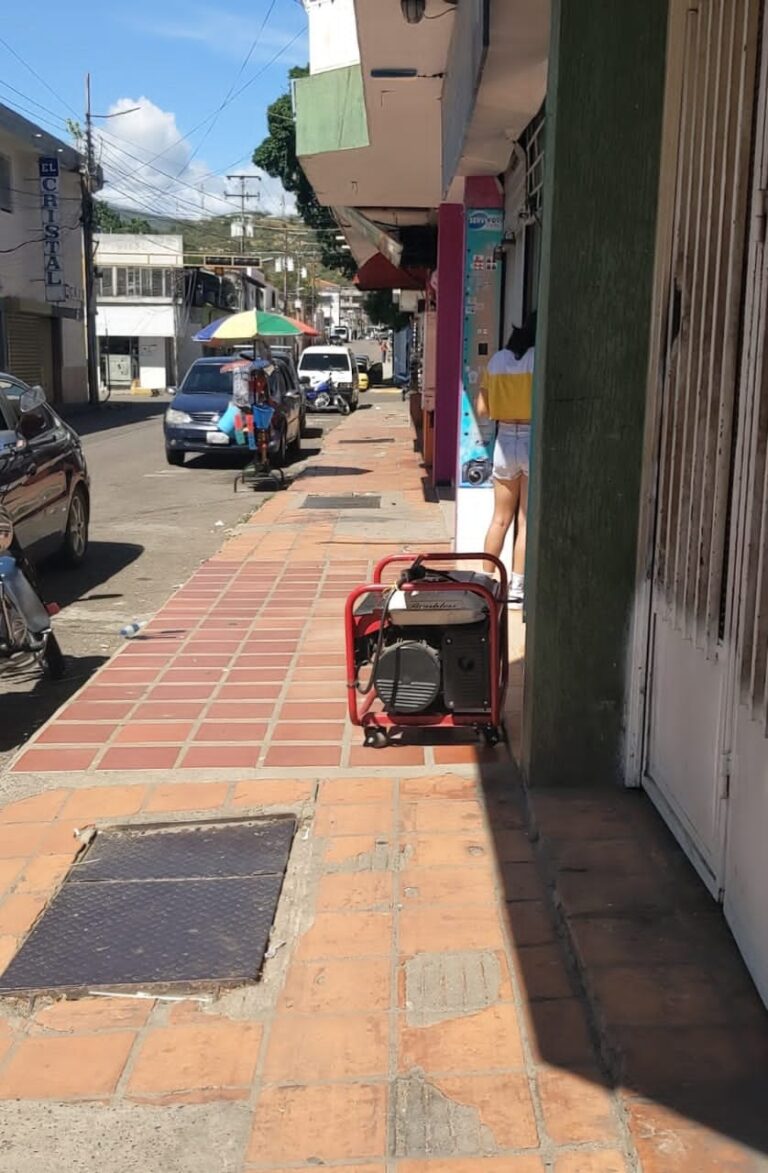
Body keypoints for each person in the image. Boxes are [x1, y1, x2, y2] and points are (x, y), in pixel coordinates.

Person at [476, 313, 536, 608]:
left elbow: (482, 409)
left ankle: (483, 582)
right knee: (525, 521)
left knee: (500, 519)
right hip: (530, 437)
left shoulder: (497, 361)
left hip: (503, 440)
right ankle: (517, 587)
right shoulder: (539, 358)